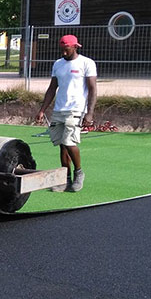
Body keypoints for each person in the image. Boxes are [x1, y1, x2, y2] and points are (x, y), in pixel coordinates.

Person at [35, 34, 97, 192]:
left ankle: (79, 173)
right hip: (59, 109)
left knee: (69, 142)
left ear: (75, 47)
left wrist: (89, 114)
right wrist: (42, 109)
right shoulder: (57, 64)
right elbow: (52, 88)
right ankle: (65, 180)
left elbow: (92, 90)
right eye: (61, 50)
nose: (63, 53)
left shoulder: (86, 63)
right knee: (62, 146)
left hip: (76, 109)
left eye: (66, 50)